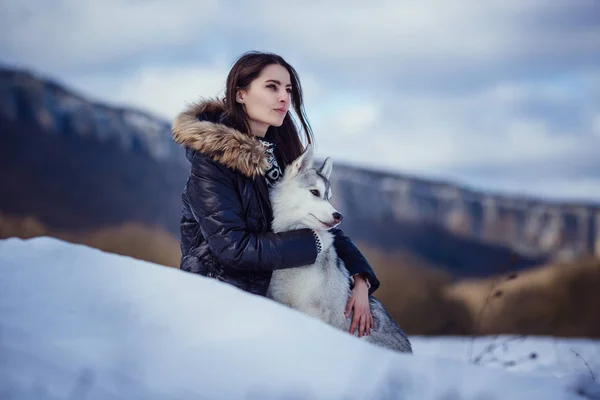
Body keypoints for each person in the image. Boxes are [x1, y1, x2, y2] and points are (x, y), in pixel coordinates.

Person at [171, 51, 380, 338]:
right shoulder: (211, 163)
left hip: (272, 299)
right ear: (241, 93)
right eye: (272, 87)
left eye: (288, 89)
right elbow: (234, 248)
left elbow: (320, 223)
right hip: (221, 302)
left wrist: (360, 279)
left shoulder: (280, 157)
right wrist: (313, 246)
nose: (284, 97)